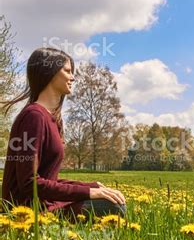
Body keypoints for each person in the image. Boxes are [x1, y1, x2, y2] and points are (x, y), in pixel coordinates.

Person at [0, 47, 126, 220]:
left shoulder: (51, 119)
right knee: (113, 207)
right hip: (28, 213)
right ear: (49, 72)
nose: (72, 77)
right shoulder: (34, 117)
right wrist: (88, 192)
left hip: (46, 205)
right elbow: (30, 183)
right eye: (67, 71)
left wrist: (90, 186)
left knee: (114, 201)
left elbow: (48, 179)